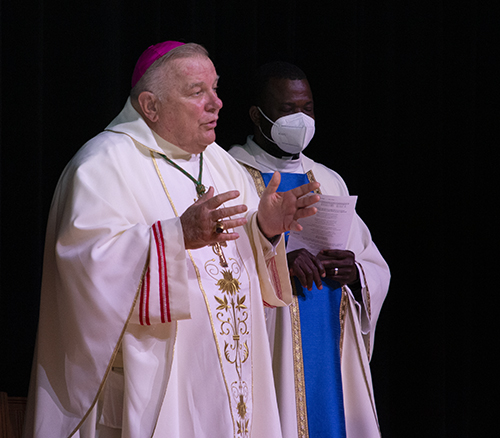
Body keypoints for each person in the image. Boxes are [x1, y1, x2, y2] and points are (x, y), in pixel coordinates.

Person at [22, 43, 321, 438]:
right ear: (150, 106)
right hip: (157, 387)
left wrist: (264, 230)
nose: (216, 103)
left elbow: (237, 270)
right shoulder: (102, 165)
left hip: (230, 381)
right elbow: (85, 271)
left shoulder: (220, 162)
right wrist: (178, 236)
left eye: (215, 89)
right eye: (197, 92)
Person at [229, 61, 391, 438]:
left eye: (308, 108)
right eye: (288, 110)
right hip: (269, 342)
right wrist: (277, 263)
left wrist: (356, 274)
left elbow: (372, 262)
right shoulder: (231, 173)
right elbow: (215, 265)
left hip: (327, 340)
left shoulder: (328, 179)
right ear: (257, 115)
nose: (301, 119)